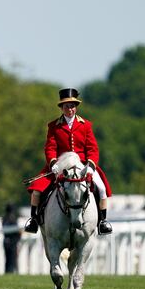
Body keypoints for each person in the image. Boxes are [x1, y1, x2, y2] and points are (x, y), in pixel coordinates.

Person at [25, 88, 113, 235]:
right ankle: (34, 220)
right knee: (36, 190)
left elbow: (93, 149)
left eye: (72, 106)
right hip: (60, 165)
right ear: (61, 107)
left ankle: (102, 221)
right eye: (66, 106)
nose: (70, 109)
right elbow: (50, 148)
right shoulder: (54, 126)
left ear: (76, 107)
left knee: (102, 189)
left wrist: (91, 165)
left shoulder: (86, 125)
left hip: (83, 164)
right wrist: (53, 163)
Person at [2, 203, 21, 274]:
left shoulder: (4, 218)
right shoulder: (13, 219)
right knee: (12, 258)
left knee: (7, 258)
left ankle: (7, 271)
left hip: (6, 241)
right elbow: (16, 231)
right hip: (13, 242)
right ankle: (11, 271)